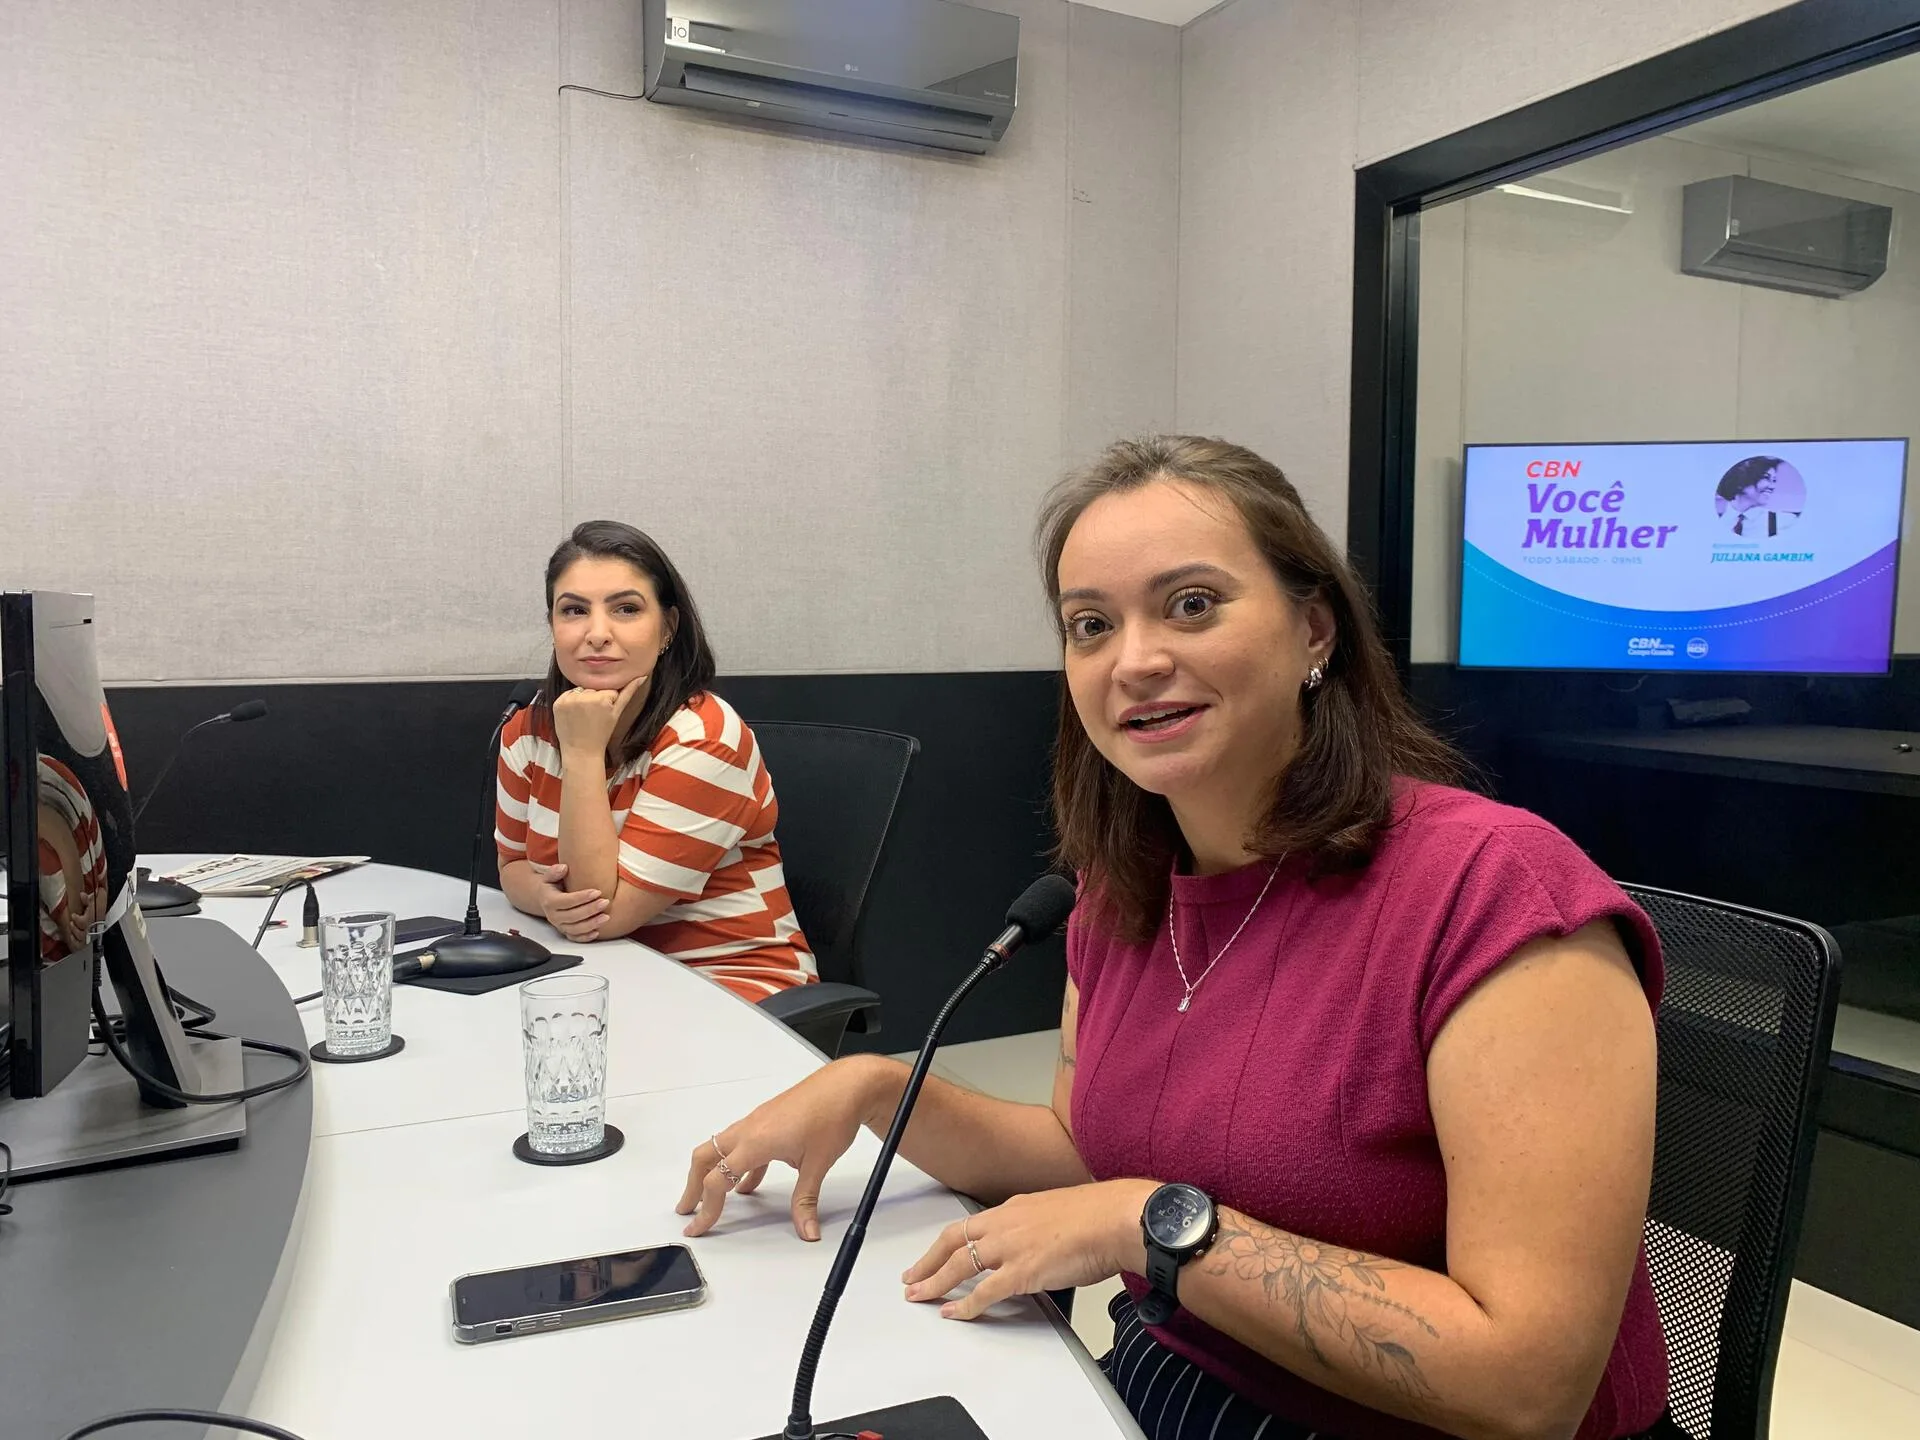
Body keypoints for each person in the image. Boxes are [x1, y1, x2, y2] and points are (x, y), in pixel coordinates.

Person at [676, 437, 1668, 1440]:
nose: (1136, 660)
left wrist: (1143, 1225)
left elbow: (1529, 1384)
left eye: (1192, 604)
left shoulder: (1495, 893)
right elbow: (1090, 1148)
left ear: (1313, 629)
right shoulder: (1121, 888)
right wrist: (879, 1090)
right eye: (1091, 625)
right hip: (1184, 1385)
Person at [494, 520, 815, 1003]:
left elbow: (602, 915)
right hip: (602, 976)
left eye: (626, 609)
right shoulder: (527, 730)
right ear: (552, 626)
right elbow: (512, 865)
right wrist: (545, 899)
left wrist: (581, 752)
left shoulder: (705, 739)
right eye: (574, 610)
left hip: (729, 988)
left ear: (667, 627)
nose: (596, 633)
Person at [1716, 455, 1797, 538]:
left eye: (1774, 480)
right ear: (1740, 481)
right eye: (1766, 477)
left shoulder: (1784, 522)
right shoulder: (1714, 521)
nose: (1772, 486)